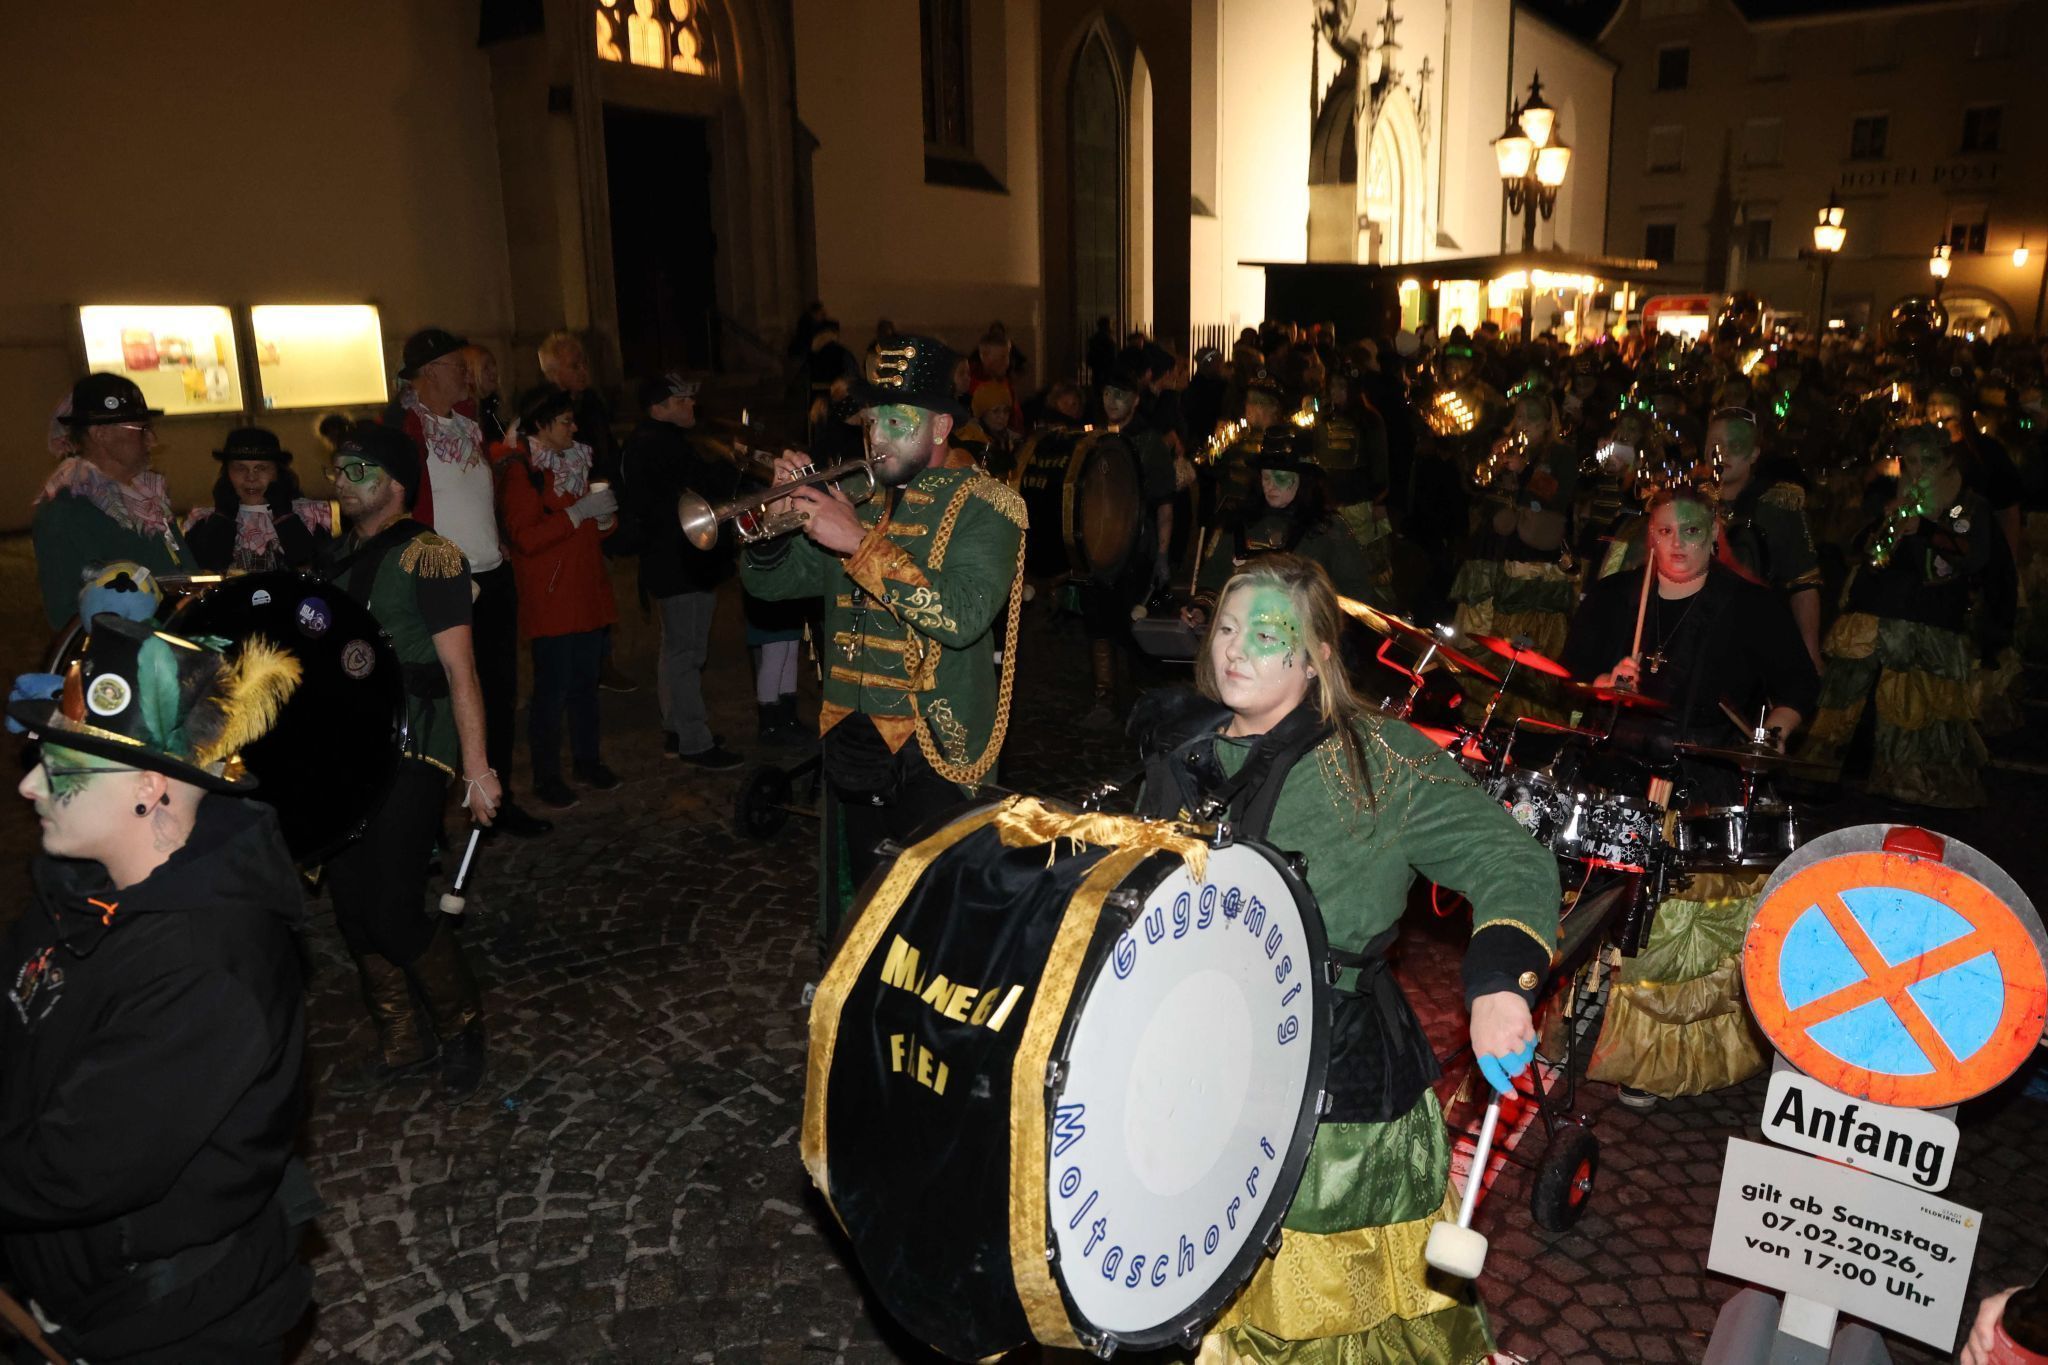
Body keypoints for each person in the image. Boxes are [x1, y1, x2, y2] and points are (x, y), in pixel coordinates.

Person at [1135, 555, 1557, 1364]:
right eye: (1226, 628)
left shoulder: (1382, 762)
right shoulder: (1182, 746)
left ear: (1319, 653)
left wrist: (1501, 983)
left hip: (1334, 1080)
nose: (1235, 650)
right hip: (1187, 1062)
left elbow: (1510, 859)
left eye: (1266, 635)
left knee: (1322, 1319)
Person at [4, 615, 316, 1360]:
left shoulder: (210, 967)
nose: (26, 783)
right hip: (67, 1293)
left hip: (164, 1327)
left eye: (58, 766)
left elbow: (74, 1169)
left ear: (149, 786)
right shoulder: (76, 884)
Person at [742, 335, 1027, 947]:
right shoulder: (861, 498)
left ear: (943, 426)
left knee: (937, 917)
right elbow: (773, 588)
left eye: (899, 421)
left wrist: (858, 544)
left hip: (936, 745)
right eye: (874, 421)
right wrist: (772, 521)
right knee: (863, 908)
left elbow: (961, 615)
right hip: (851, 730)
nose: (879, 438)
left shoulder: (990, 506)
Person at [1562, 485, 1819, 1108]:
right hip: (1617, 764)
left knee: (1666, 919)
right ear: (1649, 538)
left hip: (1702, 773)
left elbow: (1798, 687)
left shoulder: (1751, 607)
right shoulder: (1611, 599)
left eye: (1693, 533)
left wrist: (1770, 739)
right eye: (1666, 533)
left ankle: (1646, 1059)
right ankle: (1574, 1019)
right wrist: (1602, 684)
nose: (1679, 545)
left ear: (1715, 536)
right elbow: (1568, 679)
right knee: (1587, 901)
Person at [318, 422, 498, 1101]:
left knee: (394, 907)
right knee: (352, 909)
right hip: (341, 753)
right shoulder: (330, 559)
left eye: (357, 468)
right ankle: (402, 1035)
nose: (341, 478)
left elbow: (461, 670)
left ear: (395, 485)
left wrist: (476, 768)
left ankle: (462, 1025)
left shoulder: (432, 557)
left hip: (415, 745)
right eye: (338, 467)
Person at [393, 326, 552, 838]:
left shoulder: (468, 422)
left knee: (499, 694)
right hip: (442, 585)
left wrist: (498, 537)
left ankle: (496, 799)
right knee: (441, 701)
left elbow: (479, 491)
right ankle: (432, 814)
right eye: (458, 366)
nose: (468, 374)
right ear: (429, 373)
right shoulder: (403, 431)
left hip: (491, 577)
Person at [1803, 422, 1996, 808]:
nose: (1919, 469)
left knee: (1916, 707)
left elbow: (1975, 555)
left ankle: (1910, 782)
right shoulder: (1894, 497)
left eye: (1927, 461)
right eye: (1910, 462)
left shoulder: (1967, 503)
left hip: (1931, 622)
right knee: (1853, 702)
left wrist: (1925, 529)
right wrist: (1883, 525)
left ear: (1945, 460)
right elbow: (1856, 548)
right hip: (1877, 617)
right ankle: (1836, 774)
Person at [497, 387, 622, 808]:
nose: (575, 427)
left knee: (586, 685)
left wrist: (603, 518)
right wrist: (578, 513)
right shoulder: (523, 471)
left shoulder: (575, 461)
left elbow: (593, 531)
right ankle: (546, 775)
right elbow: (525, 538)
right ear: (540, 426)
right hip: (551, 598)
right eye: (566, 421)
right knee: (552, 691)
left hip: (585, 590)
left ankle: (587, 760)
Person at [621, 374, 745, 767]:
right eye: (681, 402)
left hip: (667, 562)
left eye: (691, 400)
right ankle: (694, 740)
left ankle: (676, 729)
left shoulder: (648, 442)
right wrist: (735, 463)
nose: (691, 406)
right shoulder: (662, 447)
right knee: (687, 653)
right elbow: (703, 488)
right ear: (658, 409)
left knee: (673, 648)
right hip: (682, 562)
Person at [33, 374, 191, 629]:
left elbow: (184, 570)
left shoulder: (146, 496)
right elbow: (68, 618)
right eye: (141, 430)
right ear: (101, 434)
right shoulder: (65, 512)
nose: (152, 440)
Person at [1449, 392, 1580, 660]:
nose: (1523, 424)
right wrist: (1493, 465)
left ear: (1546, 423)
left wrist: (1527, 471)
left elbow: (1561, 497)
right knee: (1479, 610)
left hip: (1530, 547)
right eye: (1519, 416)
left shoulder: (1561, 453)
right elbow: (1475, 485)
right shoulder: (1505, 444)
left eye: (1531, 419)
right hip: (1493, 542)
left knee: (1518, 616)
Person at [1707, 407, 1823, 667]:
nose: (1721, 453)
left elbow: (1803, 583)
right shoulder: (1688, 501)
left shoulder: (1777, 504)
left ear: (1753, 454)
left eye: (1734, 445)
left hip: (1751, 640)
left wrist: (1810, 652)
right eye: (1714, 444)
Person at [183, 426, 336, 573]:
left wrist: (284, 516)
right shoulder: (203, 521)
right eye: (240, 468)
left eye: (261, 468)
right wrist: (223, 517)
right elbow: (207, 568)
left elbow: (312, 567)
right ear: (227, 472)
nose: (251, 477)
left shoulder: (311, 517)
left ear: (277, 471)